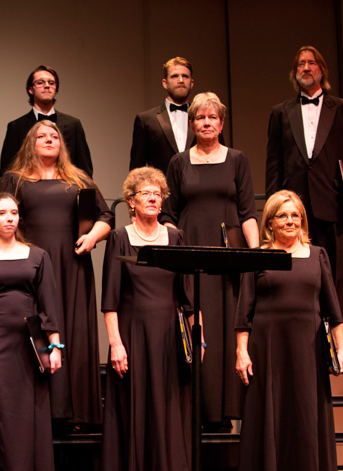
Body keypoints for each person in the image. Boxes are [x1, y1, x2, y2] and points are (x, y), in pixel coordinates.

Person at [0, 120, 113, 425]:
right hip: (31, 268)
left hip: (73, 265)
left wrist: (92, 237)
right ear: (30, 144)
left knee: (74, 330)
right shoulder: (14, 180)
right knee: (34, 330)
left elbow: (105, 215)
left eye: (54, 136)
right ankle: (35, 409)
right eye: (41, 136)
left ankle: (73, 412)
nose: (49, 140)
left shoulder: (78, 179)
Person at [160, 92, 258, 429]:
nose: (206, 123)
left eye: (212, 118)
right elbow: (169, 215)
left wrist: (254, 253)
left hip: (228, 260)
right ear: (192, 123)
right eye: (200, 117)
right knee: (197, 328)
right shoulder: (178, 162)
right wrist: (178, 250)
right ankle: (195, 413)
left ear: (221, 123)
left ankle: (224, 412)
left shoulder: (237, 159)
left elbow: (248, 212)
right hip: (192, 258)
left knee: (223, 331)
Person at [235, 190, 343, 471]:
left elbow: (333, 309)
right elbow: (243, 312)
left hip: (308, 351)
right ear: (270, 222)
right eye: (282, 215)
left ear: (303, 220)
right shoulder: (257, 256)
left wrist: (341, 347)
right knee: (270, 416)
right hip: (267, 350)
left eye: (295, 215)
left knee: (306, 415)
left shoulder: (318, 255)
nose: (290, 220)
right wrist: (241, 352)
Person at [101, 167, 197, 471]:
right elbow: (110, 301)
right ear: (131, 201)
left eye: (158, 194)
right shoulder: (118, 237)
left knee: (169, 410)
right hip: (133, 335)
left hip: (170, 335)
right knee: (135, 410)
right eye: (146, 193)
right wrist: (116, 344)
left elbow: (188, 297)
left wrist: (194, 339)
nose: (153, 198)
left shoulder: (176, 236)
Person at [0, 192, 62, 471]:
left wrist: (55, 346)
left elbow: (48, 308)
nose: (10, 218)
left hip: (30, 346)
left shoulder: (39, 256)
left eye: (14, 213)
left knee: (29, 414)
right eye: (3, 213)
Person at [266, 45, 343, 312]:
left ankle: (334, 344)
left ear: (321, 70)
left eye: (311, 63)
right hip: (292, 209)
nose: (306, 68)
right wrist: (272, 205)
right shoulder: (280, 112)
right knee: (292, 273)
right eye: (301, 64)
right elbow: (274, 163)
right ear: (294, 72)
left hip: (332, 205)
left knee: (333, 275)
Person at [130, 56, 225, 172]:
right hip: (162, 189)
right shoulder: (146, 120)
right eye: (174, 76)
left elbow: (220, 155)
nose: (180, 80)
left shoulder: (207, 119)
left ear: (191, 83)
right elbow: (136, 170)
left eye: (185, 76)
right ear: (165, 83)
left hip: (201, 187)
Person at [0, 64, 93, 177]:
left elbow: (85, 170)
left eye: (51, 83)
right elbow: (7, 171)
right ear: (30, 90)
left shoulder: (73, 124)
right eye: (40, 82)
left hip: (67, 190)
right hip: (28, 190)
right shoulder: (16, 127)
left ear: (56, 90)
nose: (47, 86)